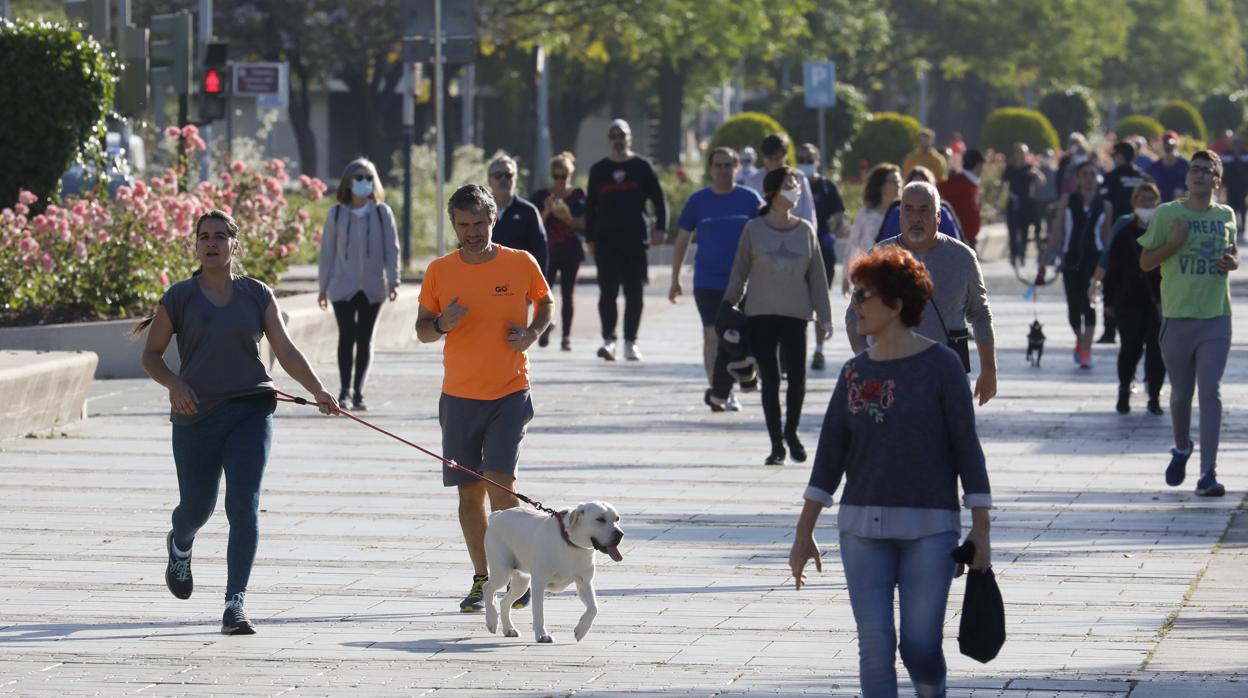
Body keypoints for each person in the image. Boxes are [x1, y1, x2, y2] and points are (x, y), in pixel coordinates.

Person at [789, 244, 992, 698]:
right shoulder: (853, 374)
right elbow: (828, 460)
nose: (855, 304)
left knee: (920, 645)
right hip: (861, 529)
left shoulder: (943, 367)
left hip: (930, 529)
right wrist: (804, 533)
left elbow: (967, 449)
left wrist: (981, 528)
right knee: (875, 646)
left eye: (864, 295)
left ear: (896, 304)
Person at [138, 209, 339, 636]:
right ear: (196, 246)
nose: (211, 243)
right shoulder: (179, 296)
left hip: (251, 408)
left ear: (235, 245)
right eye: (203, 237)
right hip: (195, 415)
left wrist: (320, 389)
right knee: (197, 508)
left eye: (219, 237)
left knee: (243, 505)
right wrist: (174, 384)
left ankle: (235, 603)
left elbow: (284, 350)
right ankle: (180, 542)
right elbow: (151, 356)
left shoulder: (257, 294)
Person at [416, 184, 554, 611]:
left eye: (479, 223)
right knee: (468, 493)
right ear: (454, 225)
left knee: (500, 483)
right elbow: (422, 330)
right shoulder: (440, 270)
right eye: (463, 225)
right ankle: (484, 577)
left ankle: (516, 577)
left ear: (493, 219)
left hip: (510, 391)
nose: (472, 232)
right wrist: (441, 323)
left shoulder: (520, 262)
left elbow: (545, 302)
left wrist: (532, 333)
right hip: (458, 396)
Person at [1139, 150, 1239, 497]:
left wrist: (1231, 262)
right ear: (1186, 178)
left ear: (1217, 181)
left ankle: (1208, 473)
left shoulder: (1226, 214)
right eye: (1193, 169)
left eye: (1206, 171)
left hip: (1216, 317)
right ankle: (1182, 448)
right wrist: (1174, 243)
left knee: (1210, 392)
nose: (1198, 175)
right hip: (1177, 318)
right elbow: (1146, 262)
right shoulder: (1169, 214)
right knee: (1181, 396)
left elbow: (1232, 251)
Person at [848, 182, 998, 406]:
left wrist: (989, 370)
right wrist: (864, 358)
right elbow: (854, 313)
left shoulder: (962, 258)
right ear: (900, 217)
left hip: (945, 377)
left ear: (938, 216)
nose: (915, 218)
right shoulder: (880, 257)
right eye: (908, 209)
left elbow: (980, 314)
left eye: (924, 209)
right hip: (889, 376)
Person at [721, 167, 832, 465]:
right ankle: (776, 445)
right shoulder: (754, 230)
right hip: (761, 314)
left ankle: (791, 433)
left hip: (796, 314)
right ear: (772, 191)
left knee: (797, 378)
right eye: (788, 185)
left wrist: (825, 316)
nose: (794, 189)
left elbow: (818, 277)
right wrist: (727, 303)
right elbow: (739, 272)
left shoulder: (806, 230)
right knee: (770, 380)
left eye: (795, 184)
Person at [670, 146, 763, 411]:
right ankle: (719, 390)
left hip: (743, 282)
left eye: (727, 165)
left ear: (736, 168)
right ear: (710, 169)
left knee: (737, 337)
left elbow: (766, 235)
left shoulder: (750, 199)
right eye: (718, 165)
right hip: (707, 282)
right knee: (712, 335)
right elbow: (681, 242)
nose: (722, 170)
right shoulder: (698, 202)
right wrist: (675, 279)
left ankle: (730, 384)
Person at [317, 157, 401, 411]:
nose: (364, 183)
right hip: (342, 286)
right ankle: (344, 390)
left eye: (369, 178)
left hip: (373, 287)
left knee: (365, 338)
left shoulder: (381, 212)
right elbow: (327, 252)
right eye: (359, 178)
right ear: (348, 182)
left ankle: (359, 392)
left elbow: (392, 248)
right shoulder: (337, 213)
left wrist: (394, 279)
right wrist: (323, 286)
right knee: (346, 336)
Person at [585, 118, 666, 362]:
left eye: (623, 135)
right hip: (606, 241)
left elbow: (659, 200)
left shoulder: (642, 167)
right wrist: (590, 238)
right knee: (607, 293)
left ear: (629, 139)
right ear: (609, 140)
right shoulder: (599, 170)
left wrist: (660, 227)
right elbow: (591, 208)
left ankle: (631, 341)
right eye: (614, 136)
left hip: (635, 240)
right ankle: (609, 340)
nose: (618, 140)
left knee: (634, 292)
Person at [1091, 182, 1165, 415]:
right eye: (1142, 199)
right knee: (1130, 348)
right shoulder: (1124, 228)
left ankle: (1154, 397)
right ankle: (1124, 390)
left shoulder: (1165, 229)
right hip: (1128, 299)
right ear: (1134, 202)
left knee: (1156, 350)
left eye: (1151, 199)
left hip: (1158, 300)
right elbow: (1112, 265)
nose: (1147, 203)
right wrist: (1109, 301)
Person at [1037, 159, 1111, 369]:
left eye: (1092, 173)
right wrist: (1044, 262)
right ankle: (1080, 340)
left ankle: (1086, 349)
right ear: (1078, 179)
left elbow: (1106, 240)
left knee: (1090, 305)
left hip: (1093, 261)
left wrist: (1109, 267)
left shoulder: (1105, 205)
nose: (1089, 178)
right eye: (1085, 174)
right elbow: (1057, 232)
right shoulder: (1067, 200)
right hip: (1071, 260)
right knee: (1073, 307)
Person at [1096, 141, 1154, 345]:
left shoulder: (1110, 178)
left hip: (1120, 233)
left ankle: (1109, 330)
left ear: (1119, 156)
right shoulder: (1144, 178)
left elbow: (1103, 207)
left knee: (1112, 281)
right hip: (1146, 235)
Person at [530, 151, 588, 351]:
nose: (560, 181)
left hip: (571, 250)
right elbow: (535, 225)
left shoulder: (578, 196)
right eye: (556, 176)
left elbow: (585, 223)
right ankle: (545, 326)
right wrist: (547, 211)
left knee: (568, 293)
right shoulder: (542, 196)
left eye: (564, 176)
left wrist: (568, 218)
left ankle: (566, 337)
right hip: (548, 251)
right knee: (544, 292)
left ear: (570, 174)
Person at [797, 143, 846, 371]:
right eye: (801, 159)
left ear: (817, 161)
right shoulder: (793, 184)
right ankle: (793, 349)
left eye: (809, 159)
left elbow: (839, 220)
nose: (805, 163)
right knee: (795, 301)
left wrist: (833, 236)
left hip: (822, 249)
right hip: (797, 249)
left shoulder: (827, 188)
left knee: (819, 300)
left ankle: (818, 350)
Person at [843, 164, 902, 296]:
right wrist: (846, 275)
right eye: (893, 181)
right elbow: (853, 243)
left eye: (899, 180)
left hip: (898, 272)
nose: (898, 184)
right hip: (871, 273)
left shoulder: (905, 212)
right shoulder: (867, 213)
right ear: (881, 185)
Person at [487, 154, 549, 277]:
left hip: (519, 283)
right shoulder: (479, 211)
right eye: (498, 175)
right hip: (487, 281)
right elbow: (466, 247)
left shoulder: (528, 212)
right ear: (489, 180)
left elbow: (540, 251)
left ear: (515, 178)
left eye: (508, 175)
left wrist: (538, 287)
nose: (503, 179)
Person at [744, 133, 816, 229]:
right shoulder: (752, 182)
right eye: (770, 158)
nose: (774, 162)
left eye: (778, 158)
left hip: (795, 236)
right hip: (765, 237)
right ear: (763, 157)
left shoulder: (799, 178)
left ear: (785, 155)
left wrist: (807, 236)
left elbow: (809, 213)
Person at [873, 166, 963, 244]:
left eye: (923, 186)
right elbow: (884, 248)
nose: (916, 218)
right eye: (914, 186)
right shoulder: (896, 212)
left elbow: (954, 246)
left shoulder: (942, 213)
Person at [1002, 143, 1046, 267]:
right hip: (1013, 202)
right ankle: (1013, 254)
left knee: (1024, 230)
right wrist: (1001, 201)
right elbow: (1003, 185)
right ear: (1015, 154)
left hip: (1026, 204)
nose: (1021, 155)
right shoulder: (1010, 168)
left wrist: (1037, 174)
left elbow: (1042, 181)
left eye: (1024, 153)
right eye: (1019, 153)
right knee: (1012, 229)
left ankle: (1022, 254)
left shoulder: (1030, 168)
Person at [938, 149, 985, 249]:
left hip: (969, 239)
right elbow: (938, 189)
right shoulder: (959, 182)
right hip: (959, 240)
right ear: (978, 165)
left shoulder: (972, 183)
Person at [1148, 131, 1190, 203]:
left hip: (1181, 207)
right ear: (1162, 145)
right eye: (1166, 144)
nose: (1168, 147)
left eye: (1171, 145)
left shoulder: (1185, 166)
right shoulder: (1154, 167)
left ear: (1176, 145)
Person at [1220, 135, 1248, 240]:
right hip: (1230, 187)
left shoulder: (1245, 155)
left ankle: (1243, 229)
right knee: (1231, 207)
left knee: (1243, 207)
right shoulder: (1226, 155)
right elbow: (1223, 171)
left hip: (1243, 187)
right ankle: (1233, 227)